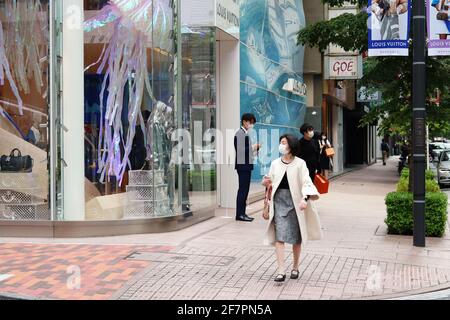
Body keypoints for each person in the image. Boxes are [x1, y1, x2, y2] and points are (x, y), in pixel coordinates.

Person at [262, 134, 322, 283]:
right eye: (280, 142)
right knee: (279, 236)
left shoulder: (300, 163)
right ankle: (281, 270)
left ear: (291, 145)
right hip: (279, 202)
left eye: (284, 142)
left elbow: (307, 182)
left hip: (295, 203)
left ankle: (295, 267)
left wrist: (305, 199)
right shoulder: (275, 163)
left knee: (296, 237)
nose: (281, 145)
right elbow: (270, 181)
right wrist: (267, 182)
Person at [234, 113, 261, 222]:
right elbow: (241, 151)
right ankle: (240, 214)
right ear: (244, 121)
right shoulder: (240, 133)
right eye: (250, 122)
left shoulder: (244, 133)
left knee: (245, 190)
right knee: (243, 190)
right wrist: (254, 147)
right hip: (243, 166)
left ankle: (242, 213)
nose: (251, 125)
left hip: (245, 165)